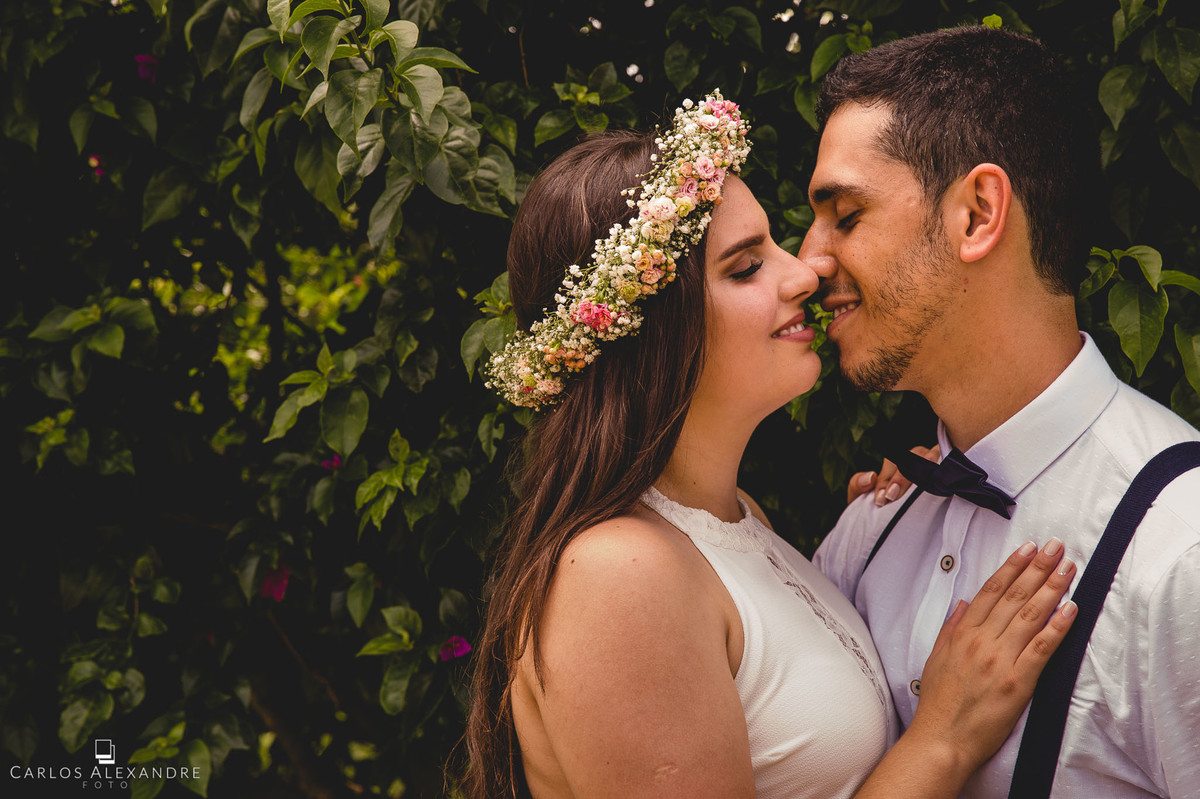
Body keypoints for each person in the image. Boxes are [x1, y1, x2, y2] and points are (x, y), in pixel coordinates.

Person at [464, 92, 1077, 799]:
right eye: (746, 266)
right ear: (654, 329)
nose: (805, 273)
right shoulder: (619, 574)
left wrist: (905, 517)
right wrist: (947, 737)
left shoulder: (735, 519)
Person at [805, 26, 1200, 798]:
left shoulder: (1181, 551)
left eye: (845, 214)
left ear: (978, 214)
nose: (809, 261)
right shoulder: (865, 533)